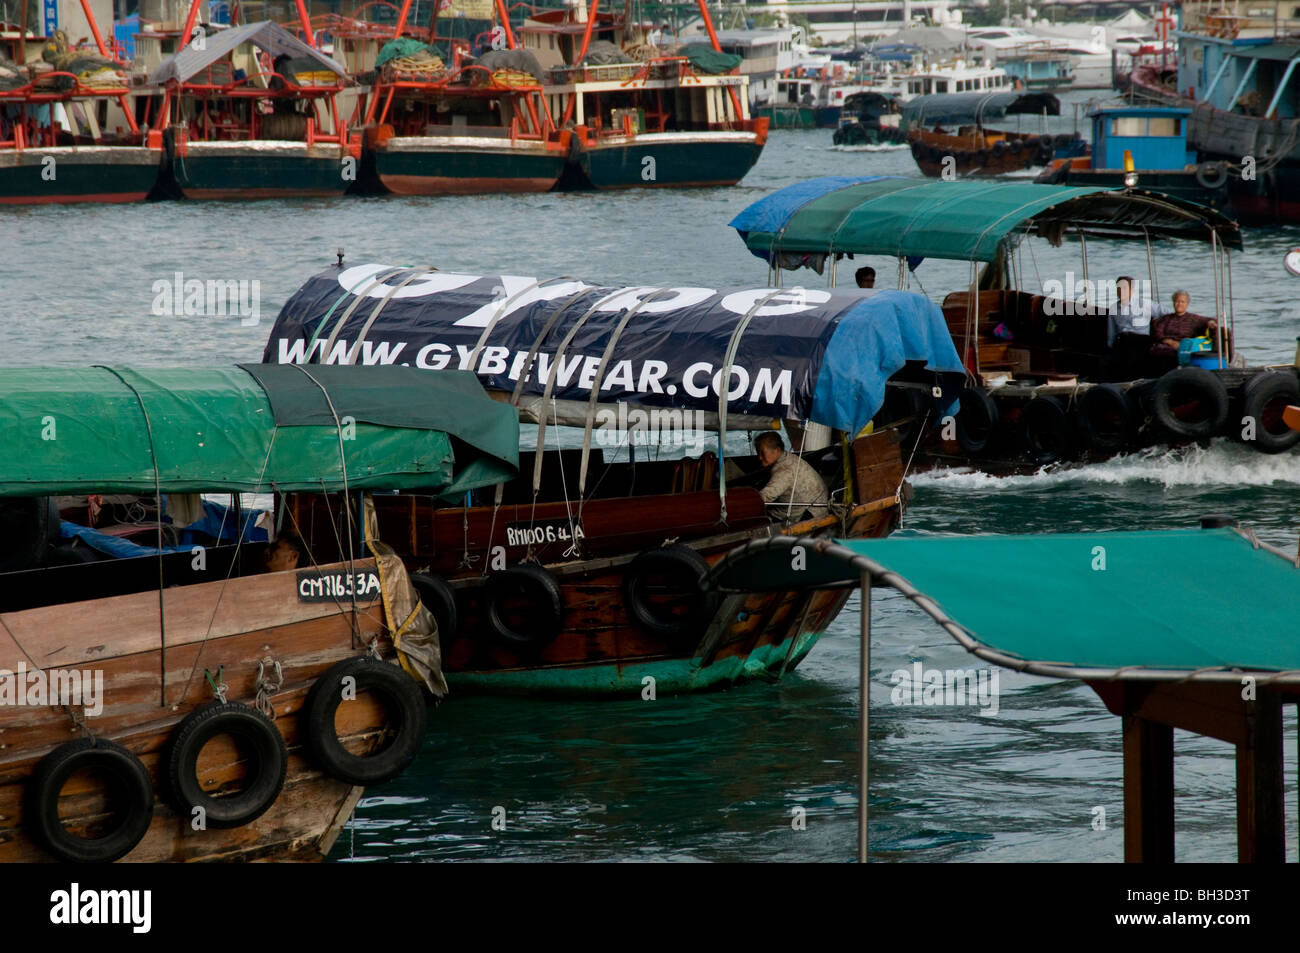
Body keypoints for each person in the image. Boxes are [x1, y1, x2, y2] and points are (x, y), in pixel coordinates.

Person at [754, 431, 830, 521]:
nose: (759, 457)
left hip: (810, 512)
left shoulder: (784, 470)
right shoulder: (788, 457)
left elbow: (766, 496)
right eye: (758, 453)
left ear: (777, 450)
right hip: (818, 504)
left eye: (762, 453)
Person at [1104, 275, 1161, 380]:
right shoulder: (1114, 308)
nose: (1121, 291)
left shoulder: (1144, 304)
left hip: (1140, 339)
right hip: (1121, 340)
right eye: (1118, 288)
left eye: (1124, 288)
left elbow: (1166, 313)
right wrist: (1111, 347)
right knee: (1110, 362)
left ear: (1131, 290)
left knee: (1133, 358)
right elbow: (1111, 333)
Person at [1149, 290, 1221, 371]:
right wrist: (1170, 342)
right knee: (1159, 351)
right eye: (1177, 301)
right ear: (1173, 302)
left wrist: (1211, 322)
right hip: (1166, 344)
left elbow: (1210, 320)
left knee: (1181, 351)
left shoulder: (1193, 318)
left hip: (1185, 345)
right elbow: (1157, 333)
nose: (1179, 304)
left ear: (1187, 304)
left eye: (1182, 302)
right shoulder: (1166, 318)